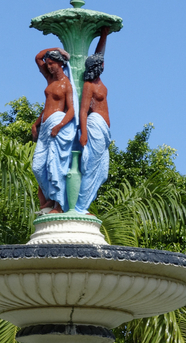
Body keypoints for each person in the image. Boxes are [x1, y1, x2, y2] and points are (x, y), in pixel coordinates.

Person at [31, 47, 78, 214]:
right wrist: (37, 123)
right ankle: (49, 198)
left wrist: (60, 126)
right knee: (37, 167)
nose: (49, 66)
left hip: (57, 124)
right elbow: (37, 57)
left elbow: (72, 110)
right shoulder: (49, 79)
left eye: (52, 63)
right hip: (45, 125)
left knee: (54, 165)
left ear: (60, 63)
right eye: (48, 63)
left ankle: (57, 204)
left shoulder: (67, 85)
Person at [73, 27, 113, 214]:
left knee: (102, 171)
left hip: (103, 130)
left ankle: (84, 204)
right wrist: (83, 133)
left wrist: (104, 36)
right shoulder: (89, 85)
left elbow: (99, 54)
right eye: (101, 63)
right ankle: (81, 207)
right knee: (90, 167)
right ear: (97, 67)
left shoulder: (99, 82)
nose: (104, 64)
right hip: (94, 127)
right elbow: (83, 110)